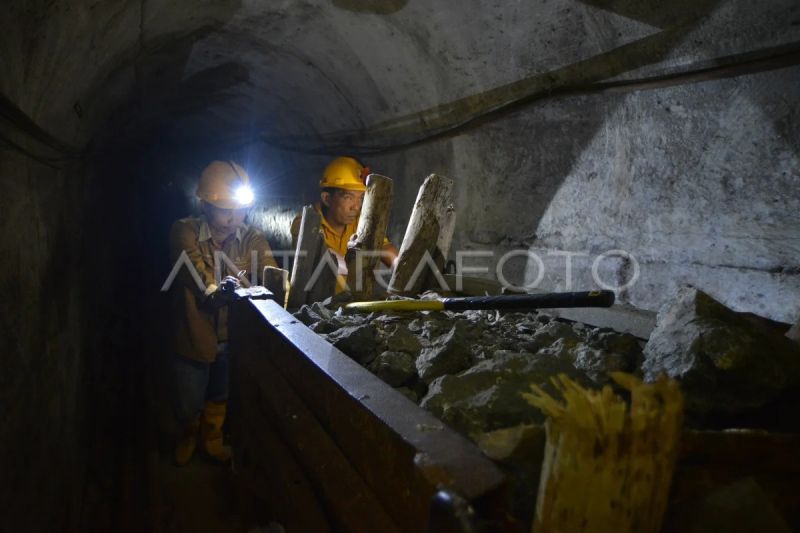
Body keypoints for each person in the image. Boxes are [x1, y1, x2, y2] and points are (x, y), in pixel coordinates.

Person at [168, 160, 277, 466]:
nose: (233, 219)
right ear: (205, 206)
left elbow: (270, 270)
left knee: (220, 392)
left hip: (230, 335)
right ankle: (188, 435)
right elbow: (201, 281)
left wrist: (279, 285)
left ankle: (212, 440)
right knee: (189, 399)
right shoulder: (183, 232)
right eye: (225, 210)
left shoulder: (250, 237)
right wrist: (221, 289)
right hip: (194, 333)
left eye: (239, 210)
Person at [290, 156, 399, 292]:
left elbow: (382, 245)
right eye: (348, 197)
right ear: (327, 199)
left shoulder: (359, 222)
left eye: (360, 198)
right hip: (313, 303)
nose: (356, 207)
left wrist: (398, 265)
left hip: (348, 306)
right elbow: (322, 256)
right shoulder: (304, 223)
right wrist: (358, 270)